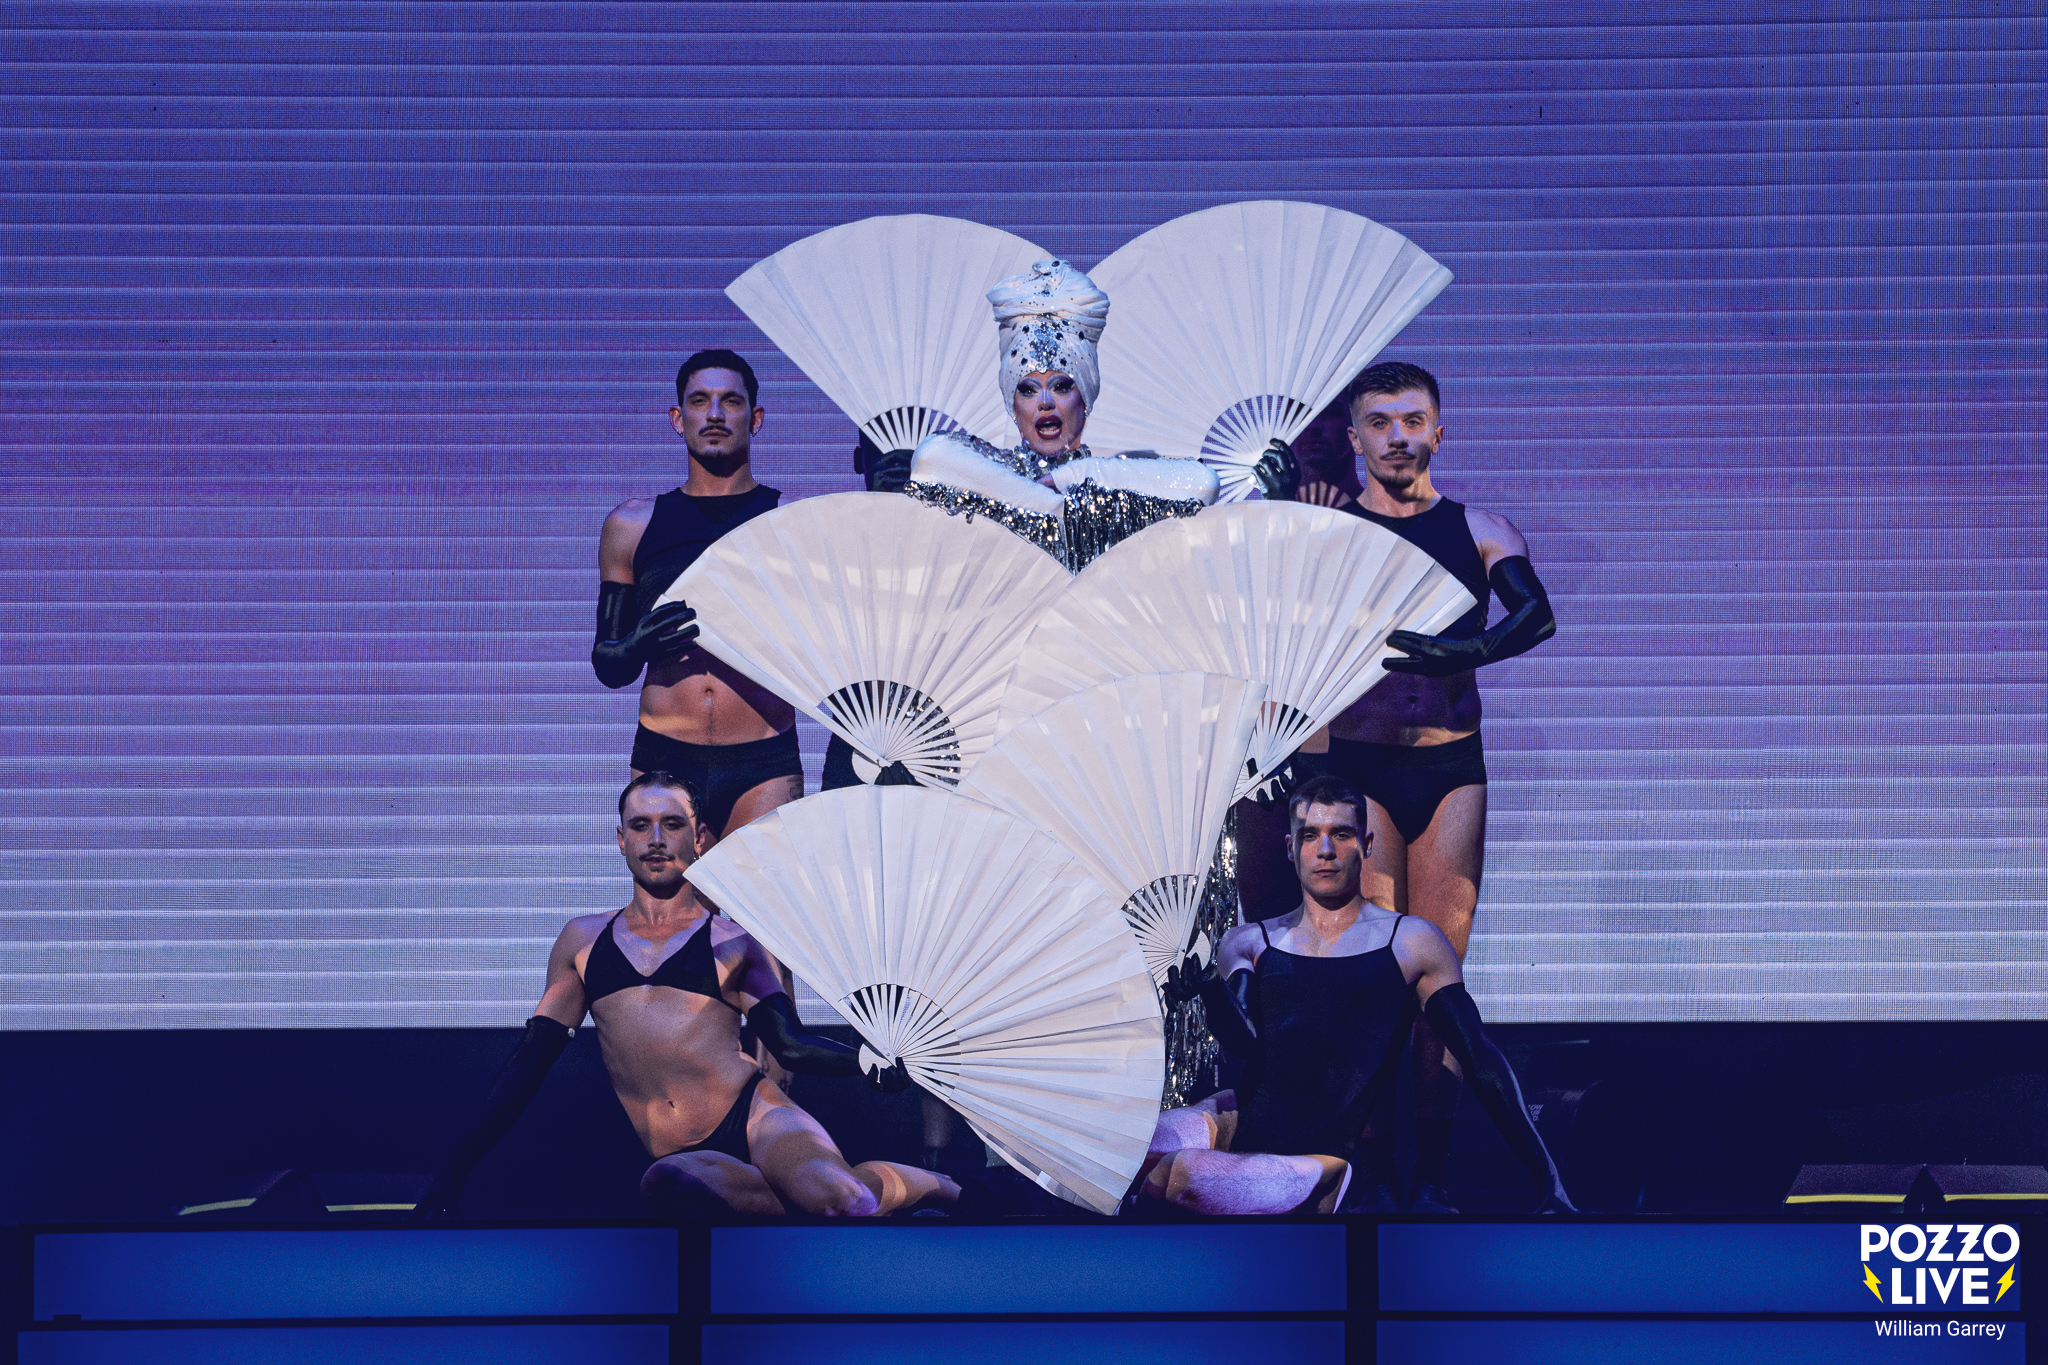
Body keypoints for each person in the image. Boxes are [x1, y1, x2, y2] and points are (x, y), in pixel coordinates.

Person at [1243, 360, 1557, 1212]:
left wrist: (1472, 649)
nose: (1397, 437)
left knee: (1441, 979)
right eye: (1379, 423)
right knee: (1376, 977)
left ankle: (1434, 1172)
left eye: (1412, 420)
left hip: (1450, 768)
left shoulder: (1481, 528)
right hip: (1364, 767)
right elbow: (1262, 604)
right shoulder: (1329, 535)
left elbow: (1535, 612)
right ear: (1354, 438)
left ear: (1438, 431)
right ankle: (1374, 1166)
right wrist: (1279, 508)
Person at [416, 772, 955, 1219]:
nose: (656, 839)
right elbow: (528, 1063)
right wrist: (453, 1172)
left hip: (757, 1115)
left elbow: (789, 1045)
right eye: (641, 825)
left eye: (672, 825)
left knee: (846, 1201)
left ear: (699, 840)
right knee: (666, 1183)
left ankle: (943, 1187)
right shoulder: (583, 942)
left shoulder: (732, 940)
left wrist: (865, 1062)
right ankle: (806, 1198)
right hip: (684, 1154)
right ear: (621, 839)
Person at [1144, 775, 1571, 1216]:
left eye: (1341, 834)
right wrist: (1211, 988)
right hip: (1236, 1123)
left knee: (1180, 1175)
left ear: (1366, 845)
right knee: (1134, 1149)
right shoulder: (1250, 940)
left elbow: (1479, 1057)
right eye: (1310, 836)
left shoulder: (1410, 942)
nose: (1325, 850)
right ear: (1290, 847)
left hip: (1317, 1157)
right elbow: (1243, 1041)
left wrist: (1548, 1177)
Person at [591, 349, 805, 840]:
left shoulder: (791, 522)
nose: (714, 414)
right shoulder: (632, 524)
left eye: (730, 401)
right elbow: (609, 664)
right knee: (672, 895)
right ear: (677, 418)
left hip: (763, 759)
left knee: (765, 894)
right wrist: (637, 643)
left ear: (755, 419)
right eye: (699, 400)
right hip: (665, 756)